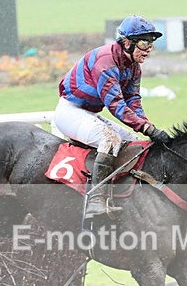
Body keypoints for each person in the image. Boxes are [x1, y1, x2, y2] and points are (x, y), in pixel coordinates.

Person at [54, 15, 172, 220]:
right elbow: (116, 105)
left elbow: (133, 100)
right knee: (110, 140)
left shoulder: (134, 66)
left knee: (138, 143)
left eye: (152, 43)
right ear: (127, 42)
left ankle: (126, 196)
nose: (148, 49)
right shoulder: (106, 62)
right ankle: (95, 200)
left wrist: (147, 127)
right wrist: (148, 129)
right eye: (144, 42)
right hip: (69, 112)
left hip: (88, 112)